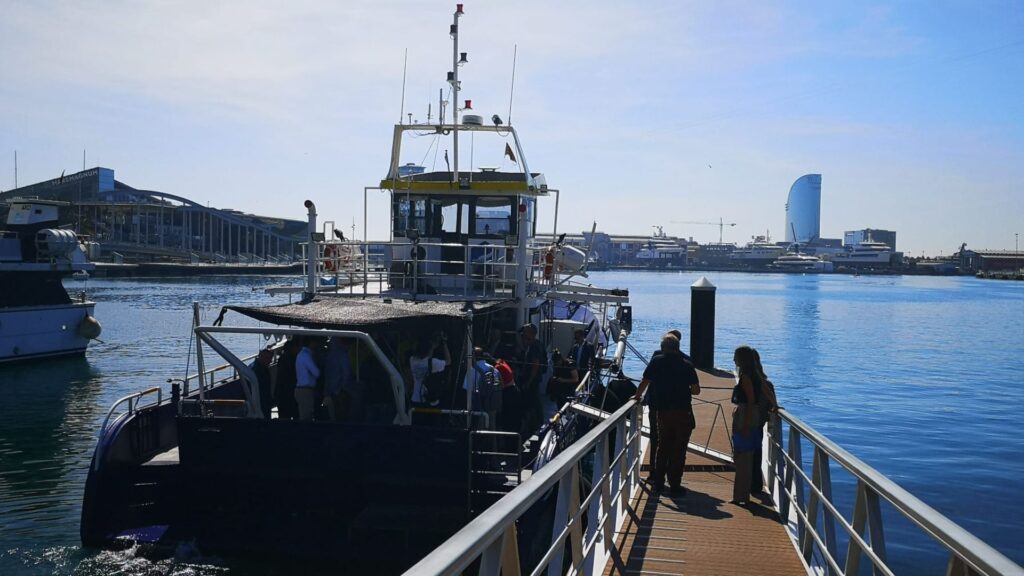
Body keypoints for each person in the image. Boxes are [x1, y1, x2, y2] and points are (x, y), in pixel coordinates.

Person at [633, 334, 701, 495]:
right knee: (679, 449)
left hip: (662, 411)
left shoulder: (656, 361)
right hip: (683, 411)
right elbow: (696, 390)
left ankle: (658, 482)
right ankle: (675, 485)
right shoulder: (686, 364)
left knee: (662, 447)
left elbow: (645, 381)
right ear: (678, 348)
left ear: (663, 347)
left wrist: (637, 396)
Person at [731, 345, 764, 504]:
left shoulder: (746, 376)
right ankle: (742, 494)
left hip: (746, 413)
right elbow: (766, 391)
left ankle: (740, 496)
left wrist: (745, 424)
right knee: (748, 455)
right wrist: (775, 405)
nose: (733, 360)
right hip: (753, 414)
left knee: (742, 456)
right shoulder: (757, 374)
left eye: (736, 356)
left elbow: (750, 400)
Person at [750, 348, 779, 494]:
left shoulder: (750, 381)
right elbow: (771, 402)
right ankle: (756, 483)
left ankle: (750, 484)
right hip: (759, 422)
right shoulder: (768, 384)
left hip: (748, 421)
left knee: (747, 453)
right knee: (757, 451)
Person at [516, 323, 547, 433]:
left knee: (532, 403)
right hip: (530, 379)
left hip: (532, 380)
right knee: (534, 402)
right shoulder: (529, 345)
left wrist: (529, 382)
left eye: (525, 331)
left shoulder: (535, 346)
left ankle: (534, 427)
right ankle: (536, 424)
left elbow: (535, 365)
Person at [410, 333, 450, 406]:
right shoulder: (432, 362)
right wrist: (444, 343)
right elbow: (448, 361)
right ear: (428, 350)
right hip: (428, 399)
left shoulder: (412, 360)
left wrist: (431, 347)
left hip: (414, 398)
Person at [323, 337, 354, 421]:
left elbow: (327, 375)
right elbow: (346, 373)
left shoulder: (329, 356)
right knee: (342, 415)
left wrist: (326, 392)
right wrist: (343, 389)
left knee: (333, 415)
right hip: (340, 392)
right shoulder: (343, 356)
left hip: (332, 391)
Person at [295, 337, 321, 420]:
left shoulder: (301, 354)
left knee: (305, 415)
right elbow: (316, 373)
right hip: (305, 391)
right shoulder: (306, 356)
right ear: (311, 343)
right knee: (306, 417)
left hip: (302, 390)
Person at [274, 339, 300, 420]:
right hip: (288, 393)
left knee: (284, 416)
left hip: (282, 393)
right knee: (293, 415)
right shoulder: (290, 360)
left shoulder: (282, 359)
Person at [250, 348, 274, 419]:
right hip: (258, 403)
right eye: (268, 358)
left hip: (265, 402)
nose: (270, 361)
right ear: (261, 357)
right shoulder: (255, 370)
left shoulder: (264, 369)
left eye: (270, 358)